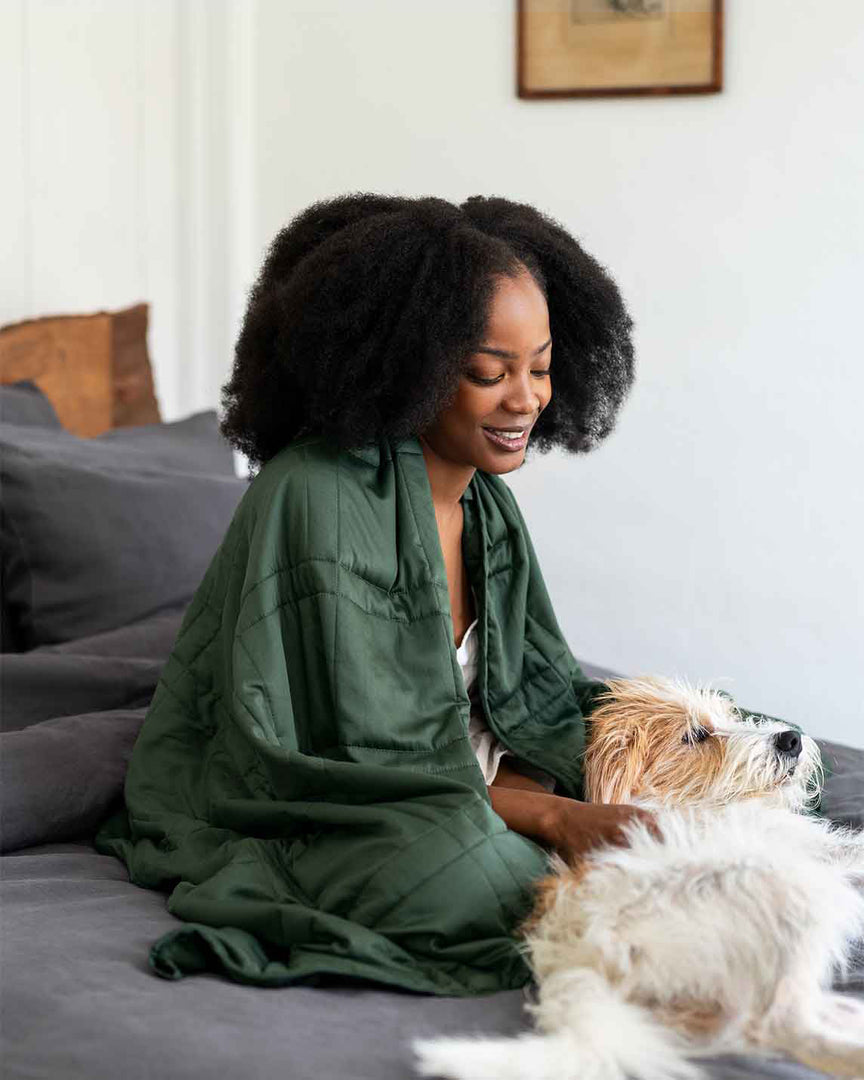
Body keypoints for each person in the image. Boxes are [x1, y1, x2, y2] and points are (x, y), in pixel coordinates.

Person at [95, 192, 655, 996]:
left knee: (729, 762)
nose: (526, 400)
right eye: (488, 373)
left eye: (540, 367)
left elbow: (533, 698)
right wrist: (556, 819)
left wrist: (551, 788)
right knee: (475, 884)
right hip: (354, 806)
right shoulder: (312, 495)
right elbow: (333, 763)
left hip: (472, 789)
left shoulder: (489, 507)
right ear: (408, 362)